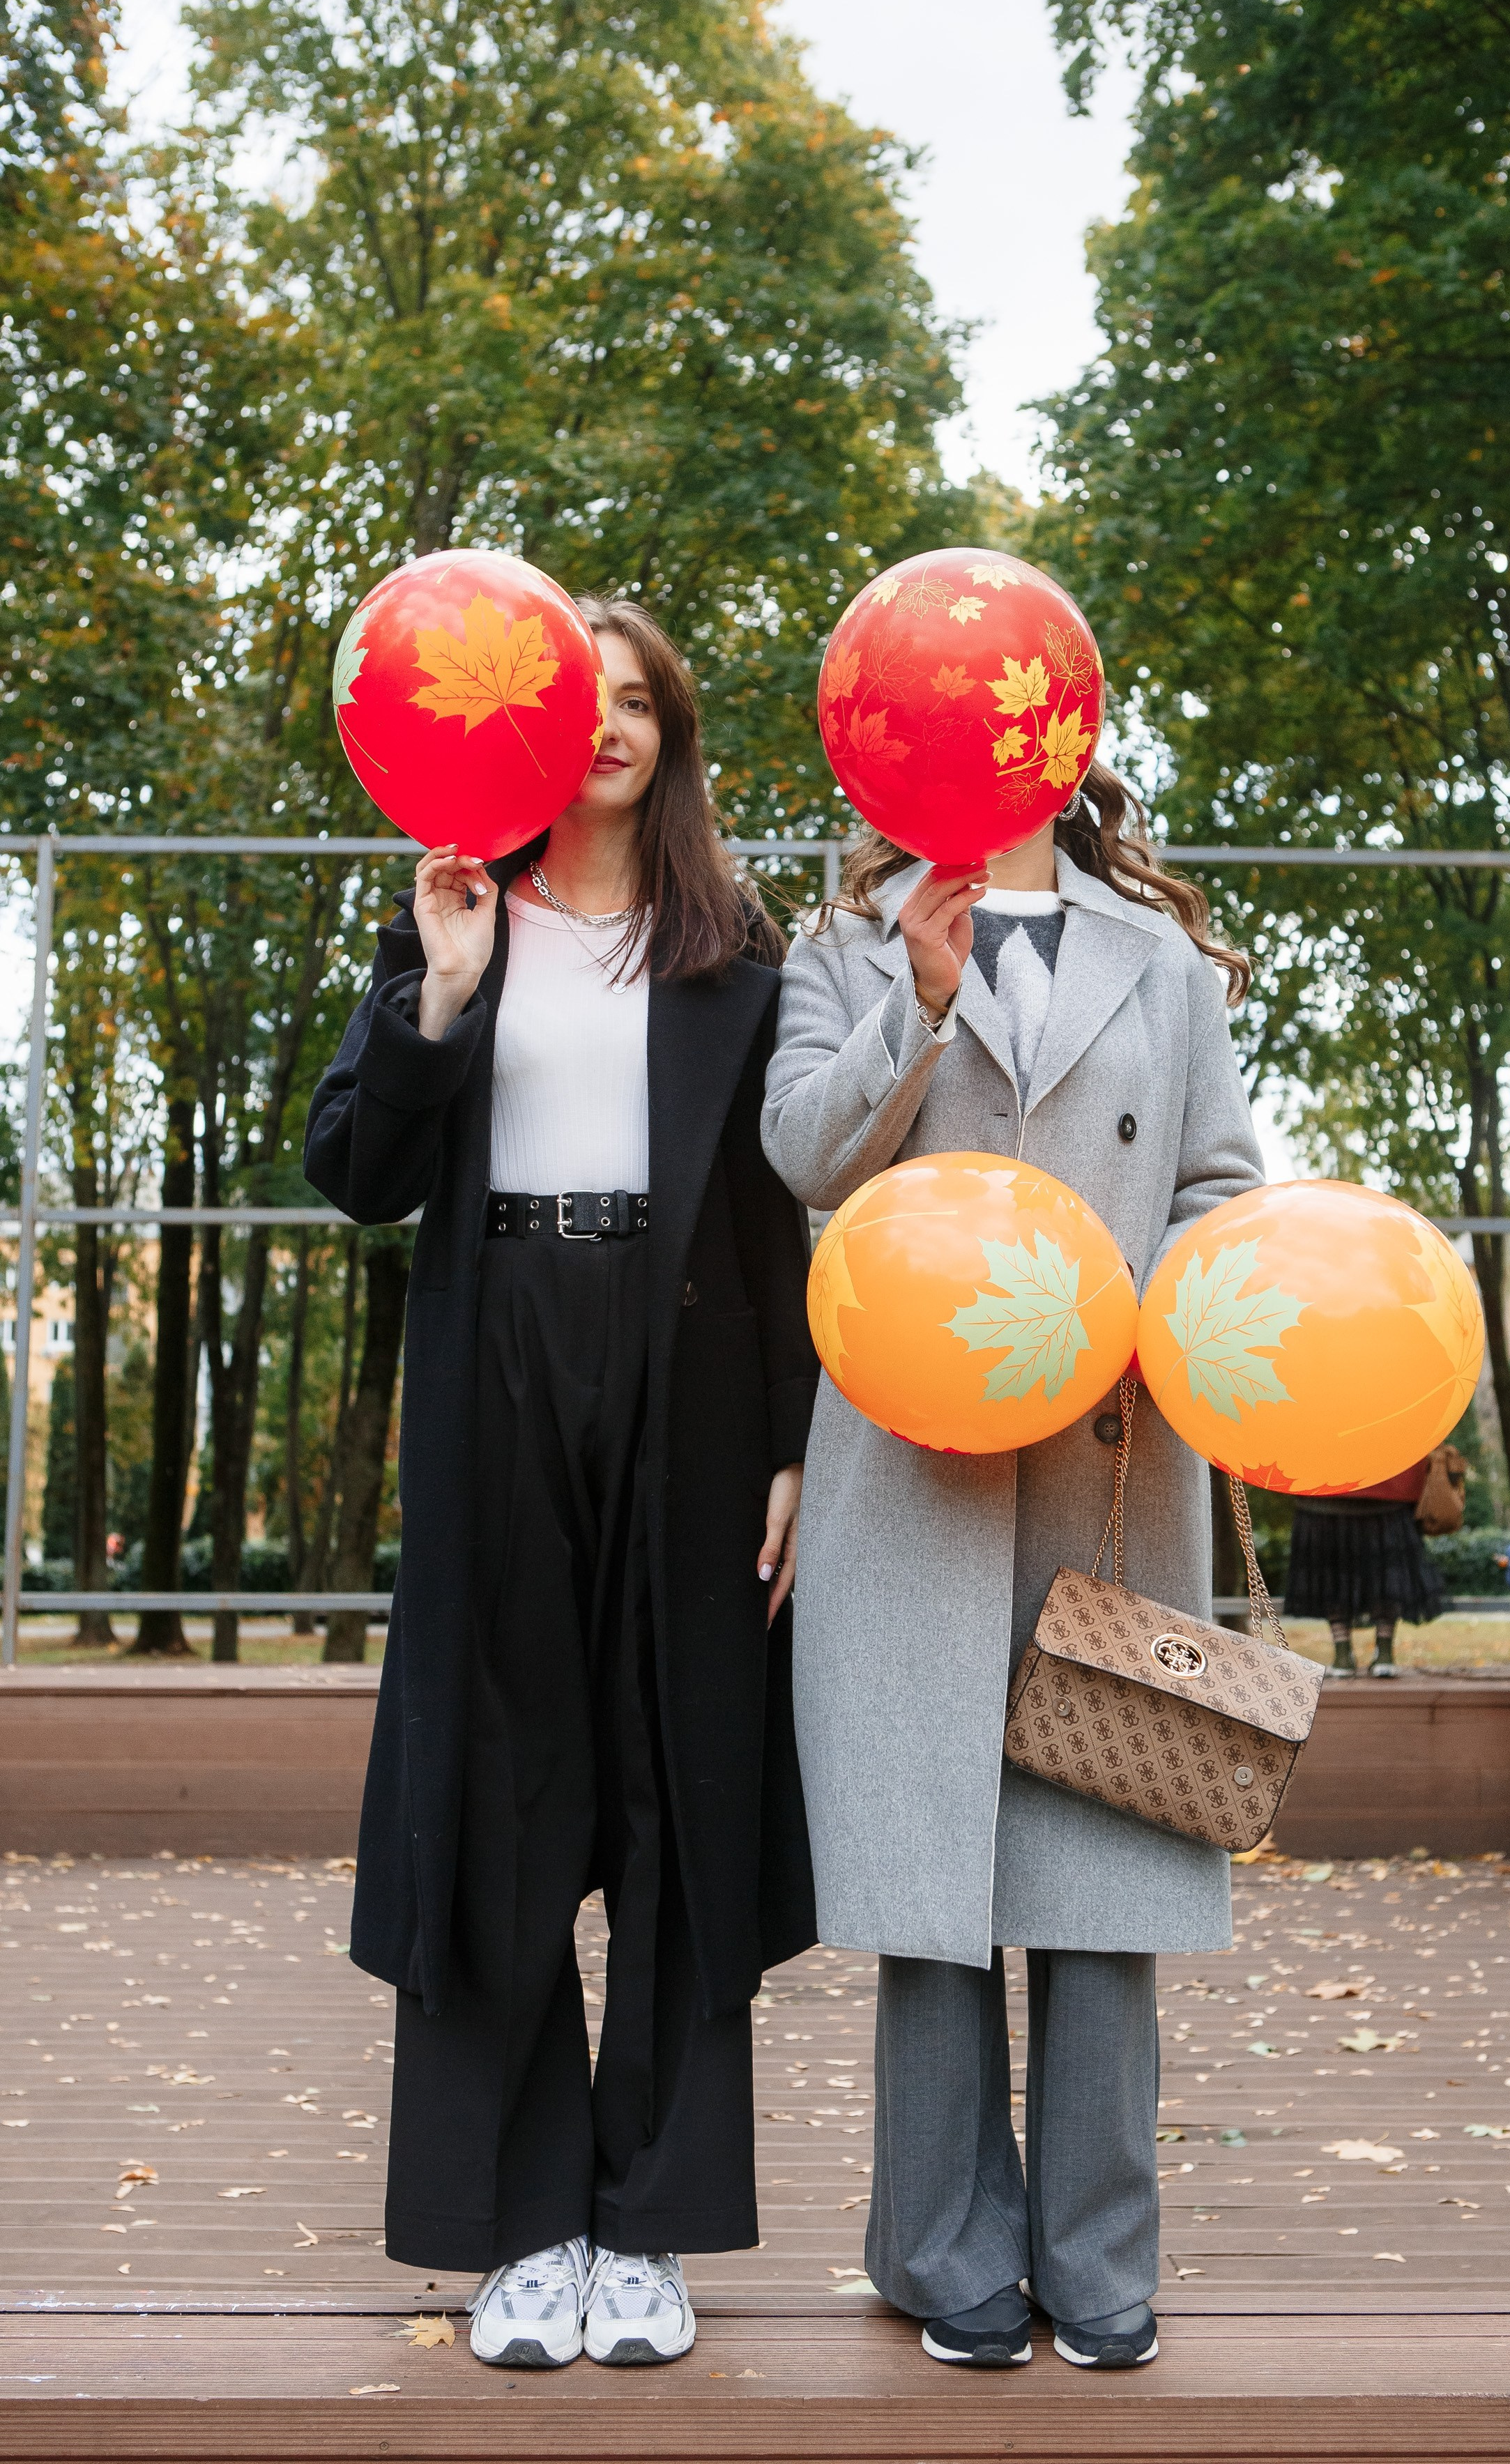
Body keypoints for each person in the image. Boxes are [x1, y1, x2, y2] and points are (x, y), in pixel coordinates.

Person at [304, 596, 818, 2369]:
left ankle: (651, 2229)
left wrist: (794, 1441)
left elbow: (782, 1219)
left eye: (636, 700)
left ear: (672, 733)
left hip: (694, 1371)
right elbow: (358, 1171)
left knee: (679, 1776)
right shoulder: (452, 910)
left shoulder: (734, 944)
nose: (604, 724)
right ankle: (523, 2226)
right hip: (498, 1348)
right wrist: (441, 992)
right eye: (572, 699)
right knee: (504, 1786)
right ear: (518, 726)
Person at [761, 769, 1263, 2372]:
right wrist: (914, 992)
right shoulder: (843, 940)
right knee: (929, 1881)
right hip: (910, 1468)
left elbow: (1220, 1185)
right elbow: (799, 1156)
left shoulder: (1162, 961)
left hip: (1115, 1457)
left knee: (1106, 1872)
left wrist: (1138, 1300)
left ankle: (1102, 2257)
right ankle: (941, 2251)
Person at [1283, 1455, 1447, 1678]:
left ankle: (1344, 1654)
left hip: (1323, 1478)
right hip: (1391, 1479)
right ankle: (1384, 1652)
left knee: (1332, 1576)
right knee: (1387, 1575)